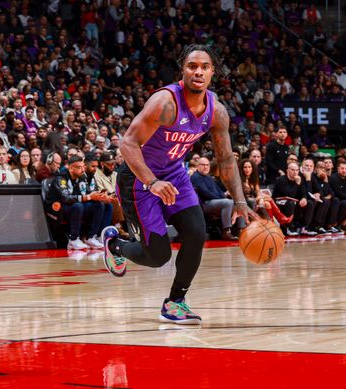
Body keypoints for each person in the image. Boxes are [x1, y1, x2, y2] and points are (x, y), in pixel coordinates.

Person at [102, 44, 258, 324]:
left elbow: (224, 159)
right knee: (157, 256)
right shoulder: (165, 103)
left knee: (197, 234)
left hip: (174, 174)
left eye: (204, 67)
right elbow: (127, 144)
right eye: (192, 66)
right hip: (139, 179)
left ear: (213, 72)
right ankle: (115, 246)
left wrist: (240, 200)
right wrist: (152, 182)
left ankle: (175, 302)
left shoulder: (216, 111)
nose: (198, 71)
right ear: (183, 70)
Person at [190, 157, 236, 240]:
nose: (206, 167)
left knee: (238, 204)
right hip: (205, 204)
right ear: (197, 166)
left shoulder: (209, 177)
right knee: (228, 202)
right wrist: (223, 198)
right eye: (203, 165)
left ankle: (240, 229)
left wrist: (224, 196)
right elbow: (206, 194)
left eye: (207, 165)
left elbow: (219, 191)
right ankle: (226, 231)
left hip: (214, 202)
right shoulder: (195, 177)